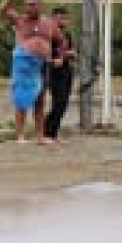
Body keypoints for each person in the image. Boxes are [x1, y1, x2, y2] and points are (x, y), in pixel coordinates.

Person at [7, 0, 48, 145]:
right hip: (23, 65)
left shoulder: (45, 22)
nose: (31, 8)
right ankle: (20, 135)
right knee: (21, 101)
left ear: (40, 6)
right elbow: (2, 10)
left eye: (34, 5)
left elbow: (58, 38)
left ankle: (40, 136)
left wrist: (60, 55)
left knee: (40, 101)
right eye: (29, 5)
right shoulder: (19, 20)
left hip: (39, 64)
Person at [40, 8, 76, 143]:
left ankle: (54, 133)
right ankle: (45, 131)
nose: (63, 21)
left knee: (64, 103)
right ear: (53, 18)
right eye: (60, 18)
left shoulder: (67, 34)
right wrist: (54, 59)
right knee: (58, 101)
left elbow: (71, 51)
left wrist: (71, 54)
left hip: (66, 70)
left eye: (65, 18)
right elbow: (44, 53)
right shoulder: (48, 35)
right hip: (53, 72)